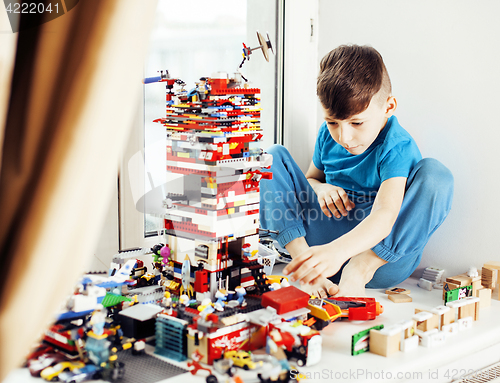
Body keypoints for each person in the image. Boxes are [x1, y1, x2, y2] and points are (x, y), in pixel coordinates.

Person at [260, 44, 454, 297]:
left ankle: (358, 271)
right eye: (332, 122)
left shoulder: (396, 146)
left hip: (376, 257)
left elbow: (385, 215)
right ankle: (305, 266)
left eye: (357, 123)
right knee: (271, 157)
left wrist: (339, 253)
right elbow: (311, 179)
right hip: (320, 249)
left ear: (389, 106)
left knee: (436, 175)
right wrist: (321, 187)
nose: (344, 136)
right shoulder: (327, 136)